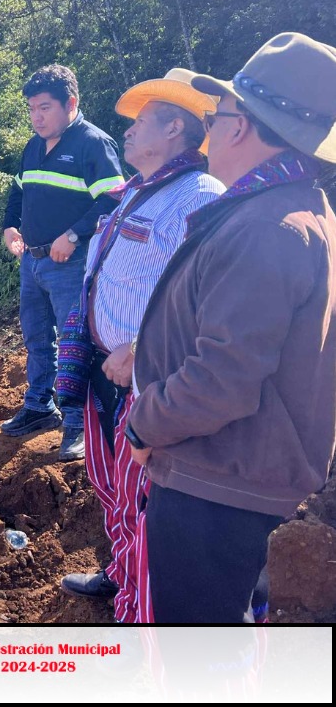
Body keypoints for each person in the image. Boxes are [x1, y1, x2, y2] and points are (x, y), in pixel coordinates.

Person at [127, 32, 336, 622]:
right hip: (233, 477)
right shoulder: (287, 210)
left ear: (239, 127)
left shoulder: (267, 229)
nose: (208, 132)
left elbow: (222, 380)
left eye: (215, 117)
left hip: (216, 488)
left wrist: (143, 423)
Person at [57, 70, 224, 622]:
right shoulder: (133, 194)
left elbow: (205, 298)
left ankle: (139, 615)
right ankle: (123, 573)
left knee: (144, 497)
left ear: (175, 128)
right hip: (104, 370)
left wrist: (140, 345)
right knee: (112, 486)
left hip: (148, 379)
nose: (126, 131)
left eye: (141, 122)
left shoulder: (199, 197)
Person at [1, 64, 124, 461]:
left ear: (71, 104)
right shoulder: (33, 147)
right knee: (37, 338)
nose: (36, 117)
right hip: (32, 261)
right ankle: (39, 405)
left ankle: (78, 423)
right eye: (32, 109)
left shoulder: (93, 143)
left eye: (45, 108)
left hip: (73, 264)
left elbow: (114, 200)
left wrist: (73, 235)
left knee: (75, 342)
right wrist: (10, 228)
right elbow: (17, 193)